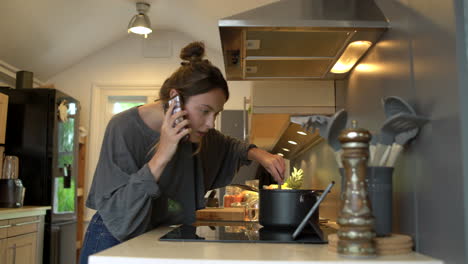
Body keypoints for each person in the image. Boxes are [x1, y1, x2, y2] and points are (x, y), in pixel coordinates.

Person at [79, 41, 285, 264]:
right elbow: (119, 212)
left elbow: (230, 145)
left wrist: (260, 155)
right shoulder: (123, 127)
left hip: (157, 237)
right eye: (205, 111)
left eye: (215, 113)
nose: (210, 124)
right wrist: (163, 153)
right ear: (175, 98)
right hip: (113, 238)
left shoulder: (195, 132)